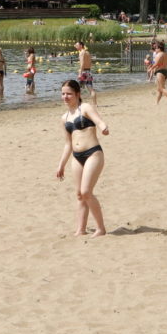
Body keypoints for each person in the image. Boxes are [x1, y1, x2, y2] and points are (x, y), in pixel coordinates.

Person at [55, 79, 109, 236]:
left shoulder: (85, 108)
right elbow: (68, 144)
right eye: (63, 94)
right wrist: (61, 165)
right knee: (79, 194)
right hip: (77, 157)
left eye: (69, 94)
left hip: (93, 153)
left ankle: (101, 228)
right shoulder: (64, 118)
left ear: (77, 94)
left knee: (86, 192)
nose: (65, 97)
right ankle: (81, 229)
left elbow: (98, 121)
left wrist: (104, 127)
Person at [151, 42, 167, 106]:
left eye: (156, 48)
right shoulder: (165, 54)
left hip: (160, 72)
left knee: (162, 88)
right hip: (165, 71)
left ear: (159, 48)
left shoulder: (159, 54)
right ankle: (157, 102)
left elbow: (156, 64)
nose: (155, 49)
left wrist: (150, 69)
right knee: (159, 89)